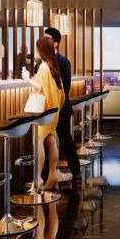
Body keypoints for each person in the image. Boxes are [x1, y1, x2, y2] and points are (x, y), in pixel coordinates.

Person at [22, 36, 67, 190]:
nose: (35, 51)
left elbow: (40, 88)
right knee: (50, 140)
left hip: (44, 111)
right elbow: (61, 94)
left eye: (37, 48)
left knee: (38, 141)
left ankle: (38, 177)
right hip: (54, 111)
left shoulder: (43, 67)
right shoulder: (53, 67)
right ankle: (53, 173)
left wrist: (27, 79)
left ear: (41, 50)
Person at [45, 27, 80, 187]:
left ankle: (76, 173)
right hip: (46, 110)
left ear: (55, 43)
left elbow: (65, 89)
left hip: (61, 109)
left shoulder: (64, 62)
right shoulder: (42, 62)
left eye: (47, 38)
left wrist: (55, 107)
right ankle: (47, 176)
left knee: (66, 141)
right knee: (46, 142)